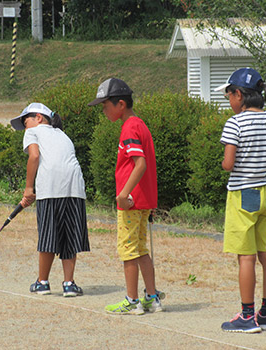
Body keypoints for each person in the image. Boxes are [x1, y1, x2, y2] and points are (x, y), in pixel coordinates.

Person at [88, 78, 163, 314]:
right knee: (140, 249)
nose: (103, 110)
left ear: (120, 104)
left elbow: (139, 164)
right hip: (143, 200)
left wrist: (123, 194)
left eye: (105, 105)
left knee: (128, 249)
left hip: (131, 201)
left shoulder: (129, 127)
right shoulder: (140, 124)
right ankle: (152, 297)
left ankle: (132, 301)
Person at [216, 68, 266, 333]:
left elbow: (229, 164)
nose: (229, 101)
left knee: (245, 258)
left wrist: (223, 162)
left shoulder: (235, 123)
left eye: (229, 95)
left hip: (244, 194)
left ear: (239, 95)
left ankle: (246, 316)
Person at [10, 102, 90, 297]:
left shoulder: (33, 132)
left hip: (50, 187)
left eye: (25, 120)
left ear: (39, 118)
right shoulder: (62, 135)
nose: (24, 125)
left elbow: (34, 157)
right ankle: (69, 284)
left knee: (48, 235)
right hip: (75, 188)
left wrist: (29, 188)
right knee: (69, 237)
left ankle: (42, 282)